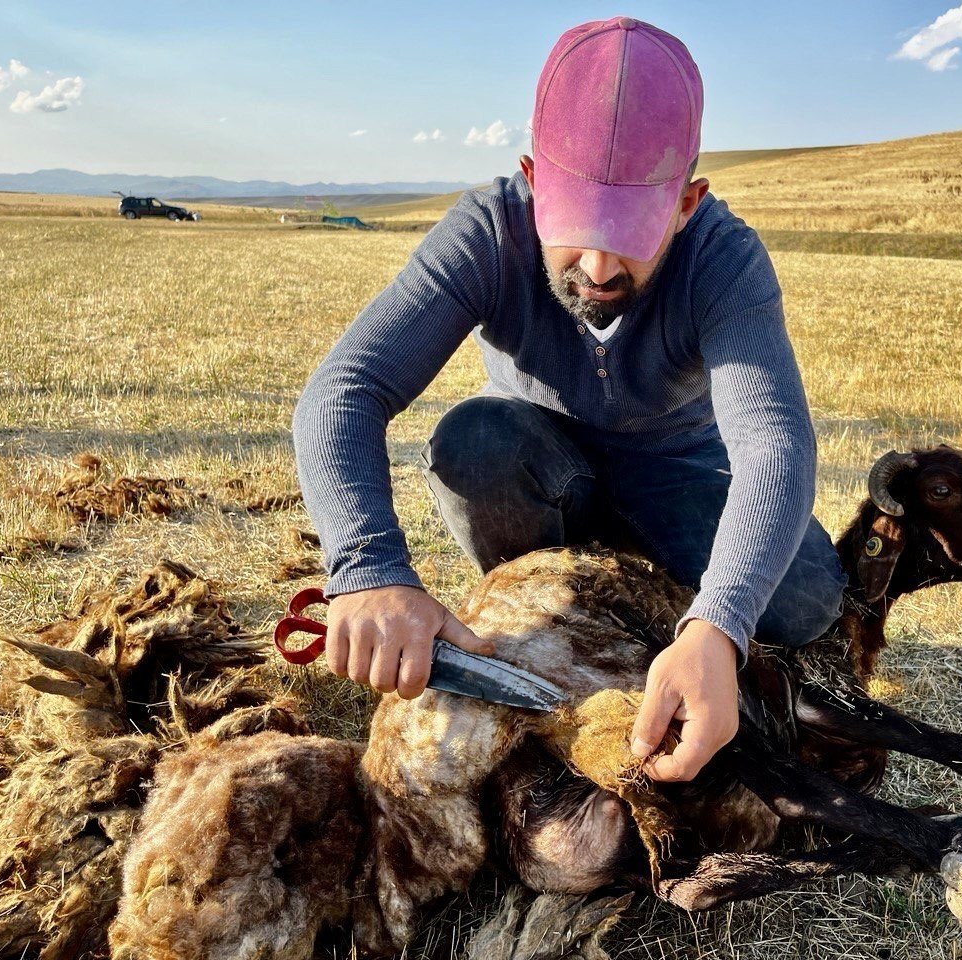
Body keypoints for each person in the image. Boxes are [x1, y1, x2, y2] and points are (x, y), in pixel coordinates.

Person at [293, 17, 846, 784]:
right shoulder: (487, 229)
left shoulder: (725, 259)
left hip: (675, 476)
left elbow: (773, 445)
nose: (594, 267)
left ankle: (674, 598)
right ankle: (562, 600)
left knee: (805, 598)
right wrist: (368, 567)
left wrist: (720, 626)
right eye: (574, 227)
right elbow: (345, 389)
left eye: (629, 234)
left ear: (687, 203)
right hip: (537, 469)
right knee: (474, 442)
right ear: (532, 177)